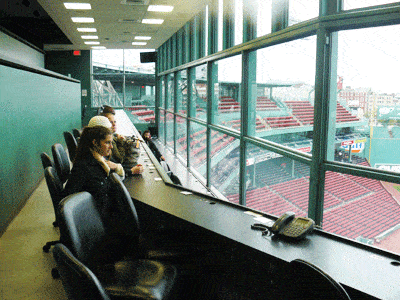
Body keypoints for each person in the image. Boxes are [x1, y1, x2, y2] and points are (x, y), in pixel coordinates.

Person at [64, 118, 125, 216]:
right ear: (95, 143)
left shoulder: (97, 160)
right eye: (107, 142)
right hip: (98, 219)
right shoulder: (84, 167)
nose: (111, 147)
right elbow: (67, 199)